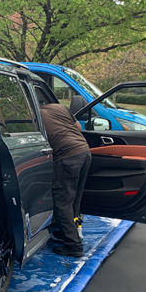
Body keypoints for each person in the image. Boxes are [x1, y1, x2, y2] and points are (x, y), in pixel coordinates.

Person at [40, 103, 92, 257]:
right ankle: (69, 232)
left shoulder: (34, 115)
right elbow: (78, 128)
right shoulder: (59, 107)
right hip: (84, 151)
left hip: (67, 157)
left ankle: (73, 245)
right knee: (74, 198)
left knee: (62, 202)